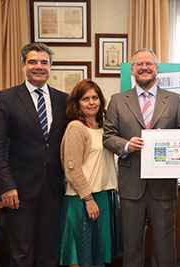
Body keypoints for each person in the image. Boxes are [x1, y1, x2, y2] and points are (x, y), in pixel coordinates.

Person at [103, 48, 180, 267]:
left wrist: (167, 141)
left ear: (157, 69)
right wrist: (127, 145)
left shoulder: (176, 100)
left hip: (164, 186)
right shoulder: (118, 100)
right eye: (139, 64)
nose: (144, 67)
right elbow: (108, 137)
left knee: (165, 245)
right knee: (131, 247)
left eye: (149, 64)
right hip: (132, 186)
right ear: (132, 69)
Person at [0, 42, 68, 266]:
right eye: (33, 62)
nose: (38, 66)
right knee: (21, 254)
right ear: (23, 65)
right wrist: (6, 185)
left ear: (51, 66)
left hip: (54, 190)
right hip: (19, 190)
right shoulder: (6, 98)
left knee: (50, 253)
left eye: (44, 62)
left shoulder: (64, 99)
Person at [59, 79, 123, 266]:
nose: (91, 102)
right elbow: (72, 170)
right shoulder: (76, 128)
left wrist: (115, 192)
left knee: (98, 255)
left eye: (95, 97)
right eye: (85, 98)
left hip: (104, 196)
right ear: (77, 103)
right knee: (80, 254)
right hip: (83, 199)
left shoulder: (105, 129)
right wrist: (88, 199)